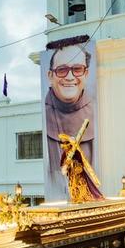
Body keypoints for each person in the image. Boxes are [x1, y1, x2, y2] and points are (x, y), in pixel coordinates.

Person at [44, 43, 96, 200]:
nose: (69, 76)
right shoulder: (45, 113)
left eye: (77, 69)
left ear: (86, 74)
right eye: (62, 70)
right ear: (50, 76)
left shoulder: (95, 110)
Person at [59, 122, 103, 203]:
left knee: (80, 185)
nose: (65, 147)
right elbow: (62, 164)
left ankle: (82, 196)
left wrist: (72, 162)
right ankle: (75, 197)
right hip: (71, 174)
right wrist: (66, 165)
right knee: (72, 186)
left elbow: (80, 163)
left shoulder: (76, 153)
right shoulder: (64, 154)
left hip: (78, 173)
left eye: (66, 145)